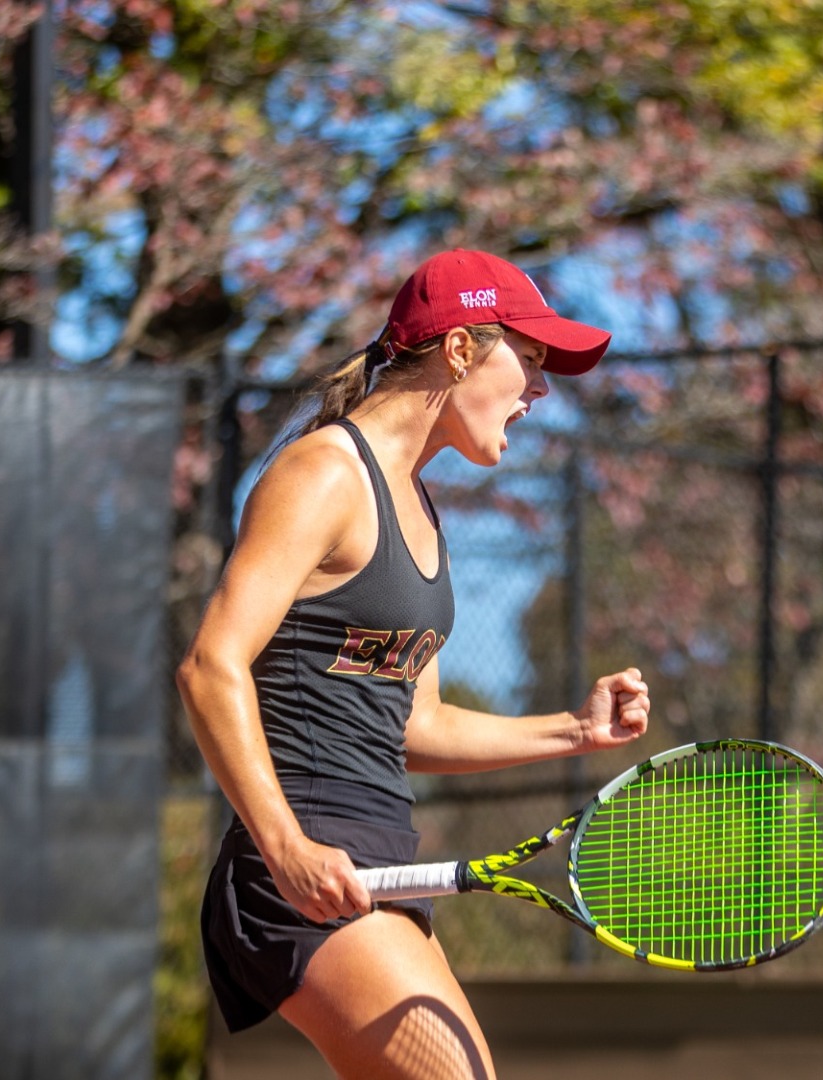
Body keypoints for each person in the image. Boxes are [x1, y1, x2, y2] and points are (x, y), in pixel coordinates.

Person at [177, 249, 652, 1079]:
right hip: (299, 865)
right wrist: (287, 848)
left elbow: (416, 725)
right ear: (461, 350)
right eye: (530, 360)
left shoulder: (424, 512)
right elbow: (211, 666)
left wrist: (575, 730)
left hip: (382, 860)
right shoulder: (323, 472)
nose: (541, 391)